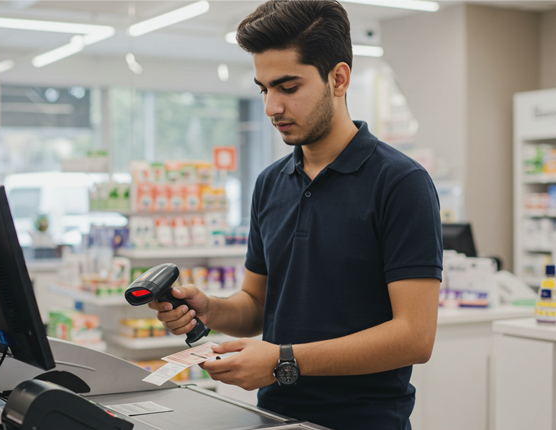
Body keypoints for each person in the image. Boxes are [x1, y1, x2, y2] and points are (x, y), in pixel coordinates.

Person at [148, 1, 443, 428]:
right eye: (263, 88)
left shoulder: (400, 183)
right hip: (272, 416)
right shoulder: (270, 183)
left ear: (338, 79)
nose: (271, 107)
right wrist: (209, 308)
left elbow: (414, 337)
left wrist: (283, 360)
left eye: (288, 87)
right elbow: (256, 305)